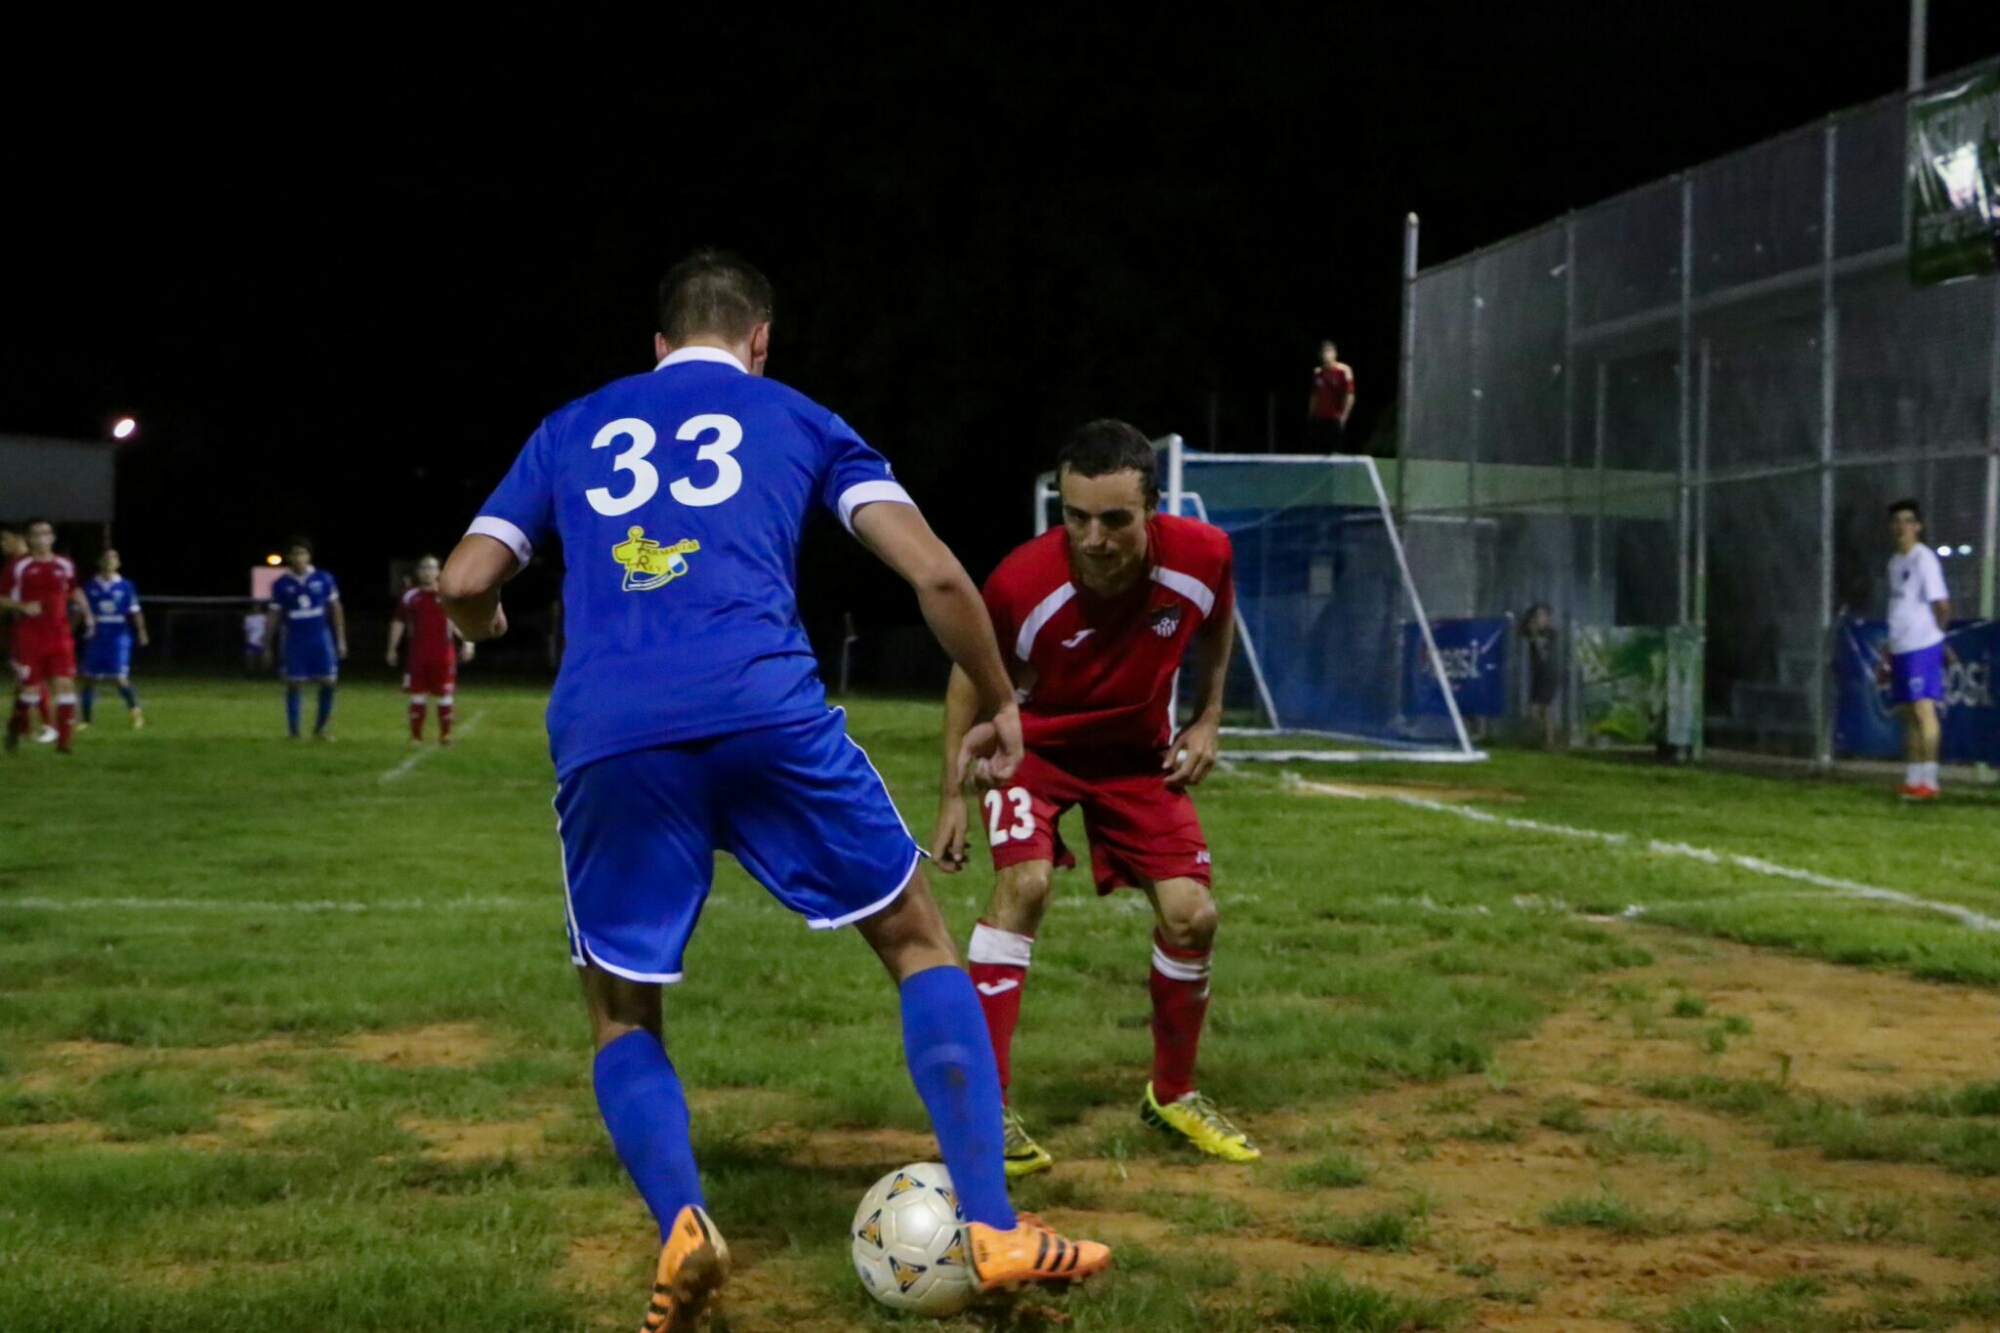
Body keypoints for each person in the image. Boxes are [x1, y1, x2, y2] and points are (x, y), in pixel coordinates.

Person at [438, 249, 1109, 1330]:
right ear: (759, 343)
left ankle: (683, 1224)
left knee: (620, 1005)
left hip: (612, 735)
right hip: (767, 711)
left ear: (656, 348)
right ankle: (989, 1224)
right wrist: (997, 697)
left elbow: (464, 579)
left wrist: (484, 625)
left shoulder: (572, 425)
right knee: (917, 941)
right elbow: (936, 572)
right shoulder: (797, 416)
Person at [931, 419, 1259, 1179]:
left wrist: (1207, 717)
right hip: (1032, 748)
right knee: (1026, 884)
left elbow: (1217, 623)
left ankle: (1173, 1094)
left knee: (1193, 914)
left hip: (1136, 756)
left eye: (1114, 519)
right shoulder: (1021, 581)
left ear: (1152, 510)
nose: (1093, 537)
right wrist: (952, 794)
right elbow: (964, 678)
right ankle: (986, 1109)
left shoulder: (1204, 556)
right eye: (1075, 516)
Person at [1880, 499, 1951, 801]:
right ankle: (1913, 778)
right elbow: (1899, 605)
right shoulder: (1895, 563)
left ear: (1918, 527)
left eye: (1908, 521)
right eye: (1897, 521)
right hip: (1901, 646)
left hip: (1921, 644)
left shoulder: (1924, 559)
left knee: (1924, 710)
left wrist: (1938, 638)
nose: (1902, 527)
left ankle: (1930, 781)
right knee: (1908, 712)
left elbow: (1942, 604)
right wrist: (1889, 646)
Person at [4, 520, 91, 754]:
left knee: (65, 684)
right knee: (30, 691)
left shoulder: (65, 563)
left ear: (52, 538)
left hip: (59, 634)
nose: (41, 538)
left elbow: (73, 589)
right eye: (35, 534)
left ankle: (64, 742)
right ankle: (16, 724)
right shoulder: (19, 566)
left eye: (45, 533)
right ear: (29, 540)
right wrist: (22, 606)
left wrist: (88, 614)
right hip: (29, 635)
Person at [260, 539, 346, 740]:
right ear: (289, 557)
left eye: (302, 553)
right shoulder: (281, 584)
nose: (299, 558)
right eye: (295, 553)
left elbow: (336, 609)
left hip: (320, 638)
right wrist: (266, 646)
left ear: (309, 556)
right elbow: (274, 616)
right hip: (295, 639)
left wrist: (341, 640)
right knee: (295, 683)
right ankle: (293, 731)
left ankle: (320, 729)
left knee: (329, 681)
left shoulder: (324, 579)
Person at [387, 554, 473, 744]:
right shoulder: (410, 596)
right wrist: (392, 648)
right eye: (424, 568)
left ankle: (445, 735)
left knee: (445, 695)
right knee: (417, 695)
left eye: (431, 568)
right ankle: (416, 736)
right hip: (418, 655)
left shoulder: (448, 595)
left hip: (443, 655)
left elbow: (460, 620)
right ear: (418, 572)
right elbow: (398, 622)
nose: (427, 572)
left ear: (439, 572)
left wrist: (468, 643)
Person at [79, 549, 148, 730]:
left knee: (119, 677)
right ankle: (86, 720)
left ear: (118, 564)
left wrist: (141, 631)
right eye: (106, 558)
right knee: (89, 677)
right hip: (97, 632)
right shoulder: (90, 585)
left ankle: (136, 714)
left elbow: (135, 611)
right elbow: (81, 610)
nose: (110, 562)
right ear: (99, 562)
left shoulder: (125, 585)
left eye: (113, 558)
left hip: (118, 632)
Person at [0, 526, 54, 743]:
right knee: (24, 678)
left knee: (30, 677)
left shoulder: (25, 564)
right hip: (20, 628)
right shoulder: (14, 564)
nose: (2, 545)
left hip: (32, 629)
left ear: (19, 538)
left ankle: (47, 725)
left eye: (5, 540)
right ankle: (25, 727)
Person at [1306, 339, 1355, 452]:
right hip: (1319, 418)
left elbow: (1350, 395)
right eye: (1323, 352)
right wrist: (1311, 415)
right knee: (1317, 451)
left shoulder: (1344, 371)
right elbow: (1314, 396)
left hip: (1335, 418)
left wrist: (1344, 416)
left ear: (1335, 353)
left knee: (1334, 452)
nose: (1326, 355)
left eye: (1328, 351)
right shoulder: (1317, 373)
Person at [1522, 603, 1558, 749]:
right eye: (1536, 616)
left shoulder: (1550, 633)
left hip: (1548, 672)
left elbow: (1543, 655)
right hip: (1538, 673)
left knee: (1543, 708)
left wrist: (1536, 635)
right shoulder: (1530, 631)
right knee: (1536, 709)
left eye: (1542, 616)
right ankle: (1542, 739)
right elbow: (1520, 629)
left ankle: (1548, 740)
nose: (1539, 619)